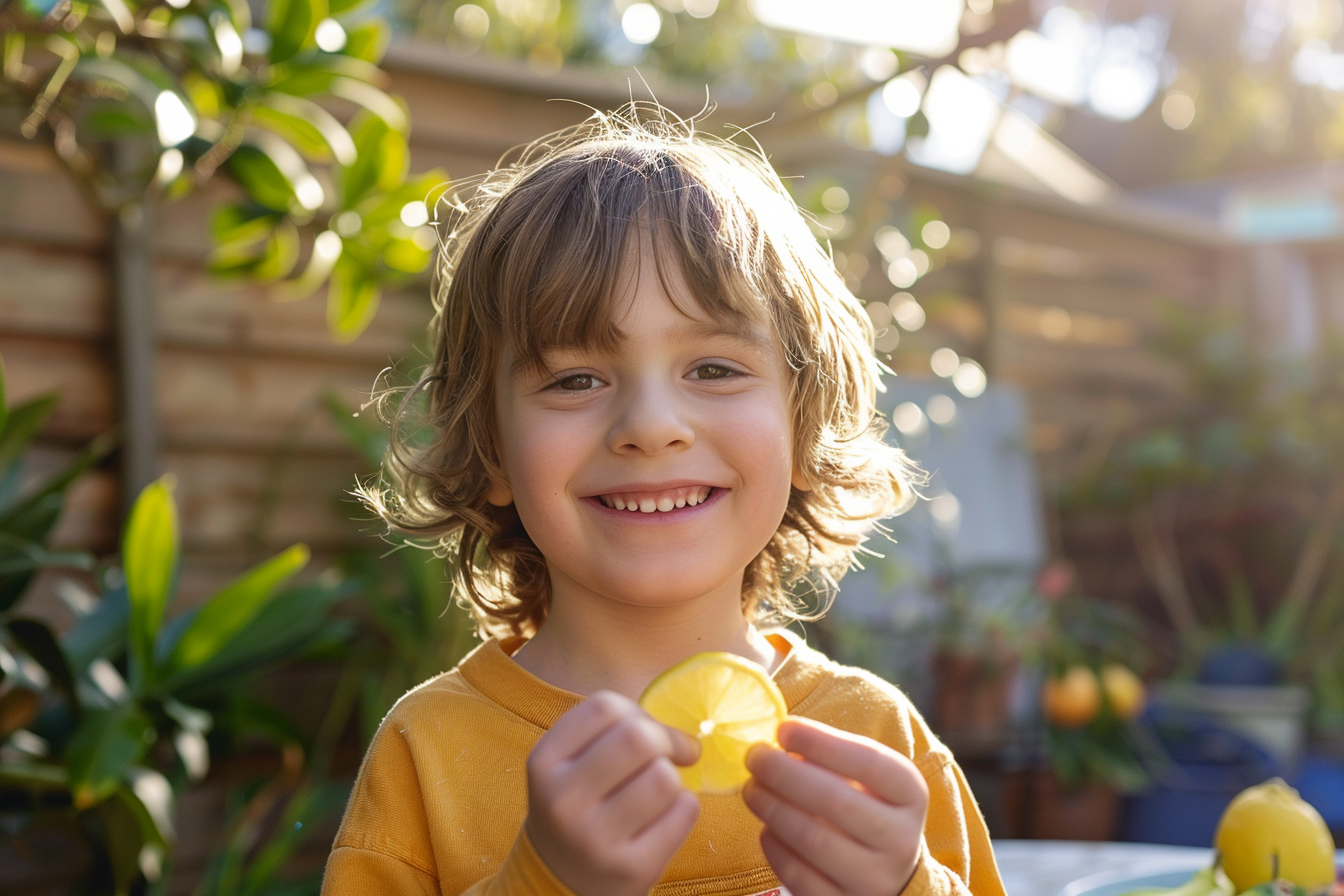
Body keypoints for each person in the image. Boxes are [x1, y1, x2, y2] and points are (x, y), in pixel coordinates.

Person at [321, 103, 1006, 896]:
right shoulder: (429, 754)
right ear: (493, 448)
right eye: (575, 379)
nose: (650, 427)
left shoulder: (876, 740)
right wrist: (543, 882)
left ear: (803, 423)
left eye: (713, 369)